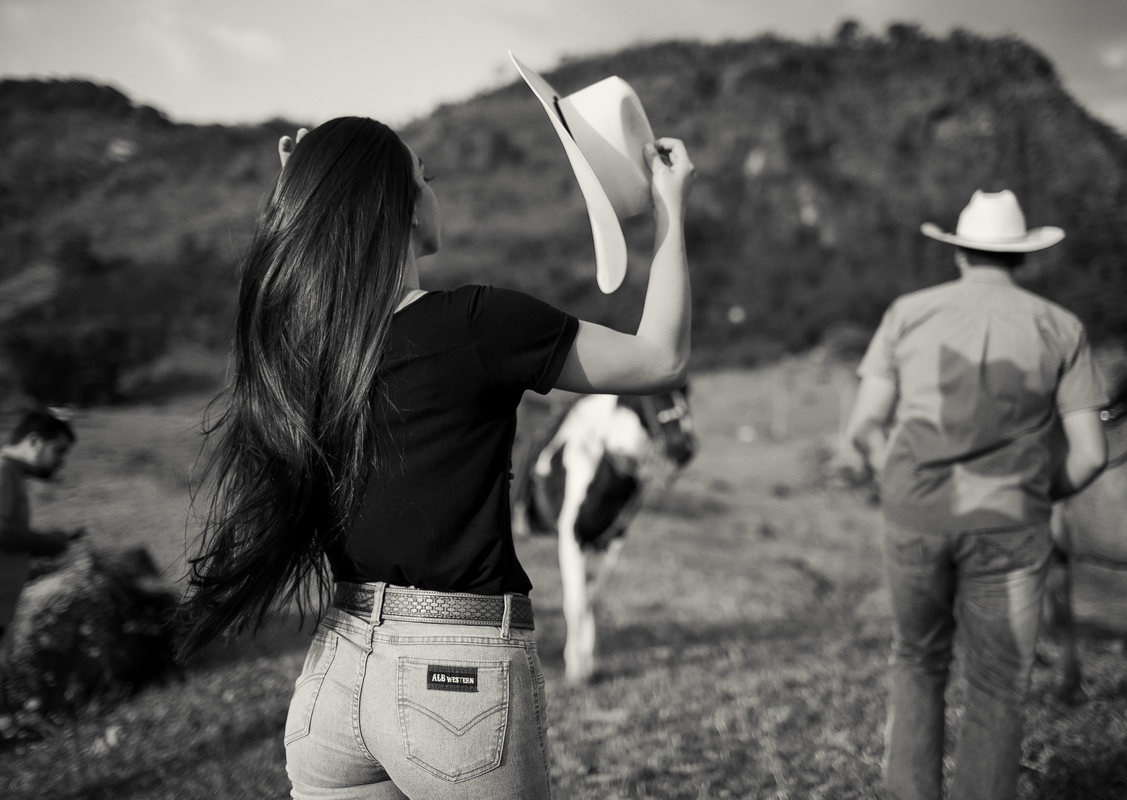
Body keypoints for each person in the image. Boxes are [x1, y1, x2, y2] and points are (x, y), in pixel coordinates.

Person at [174, 117, 692, 799]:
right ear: (406, 209)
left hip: (334, 677)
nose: (433, 189)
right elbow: (660, 357)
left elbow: (293, 277)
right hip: (455, 685)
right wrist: (670, 207)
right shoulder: (479, 325)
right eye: (426, 176)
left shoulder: (309, 348)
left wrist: (299, 190)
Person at [845, 190, 1108, 800]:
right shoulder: (1062, 327)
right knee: (999, 683)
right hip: (1012, 525)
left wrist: (899, 482)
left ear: (959, 252)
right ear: (1021, 258)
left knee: (917, 660)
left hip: (915, 512)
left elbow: (862, 427)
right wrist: (1038, 493)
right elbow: (1092, 453)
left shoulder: (907, 312)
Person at [0, 410, 81, 641]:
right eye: (59, 450)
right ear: (34, 441)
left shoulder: (11, 474)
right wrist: (47, 543)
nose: (62, 462)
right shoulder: (3, 471)